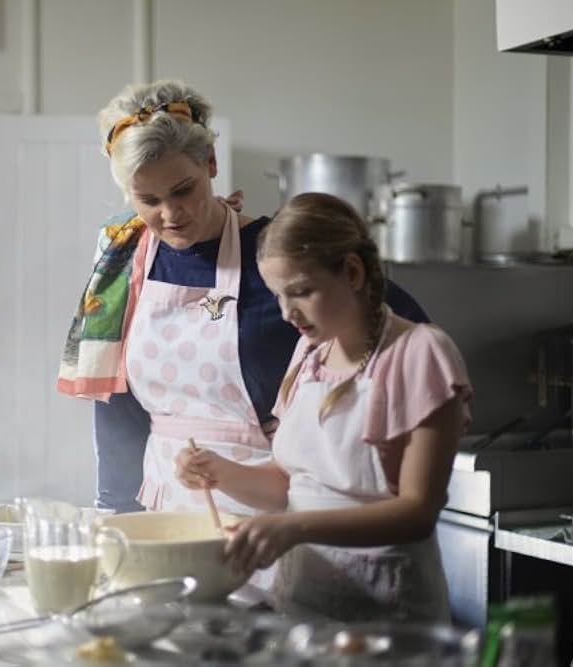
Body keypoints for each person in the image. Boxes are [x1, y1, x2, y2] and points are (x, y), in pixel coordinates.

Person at [57, 79, 430, 516]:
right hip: (165, 508)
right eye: (149, 200)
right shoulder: (124, 263)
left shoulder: (278, 254)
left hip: (274, 510)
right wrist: (116, 513)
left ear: (211, 163)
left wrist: (328, 430)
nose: (171, 214)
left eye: (184, 190)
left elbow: (410, 338)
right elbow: (117, 407)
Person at [175, 192, 472, 622]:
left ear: (352, 272)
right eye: (278, 295)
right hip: (302, 604)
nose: (286, 312)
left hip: (389, 616)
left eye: (301, 292)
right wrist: (219, 472)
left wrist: (294, 527)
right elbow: (290, 486)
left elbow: (417, 512)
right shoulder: (308, 355)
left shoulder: (420, 352)